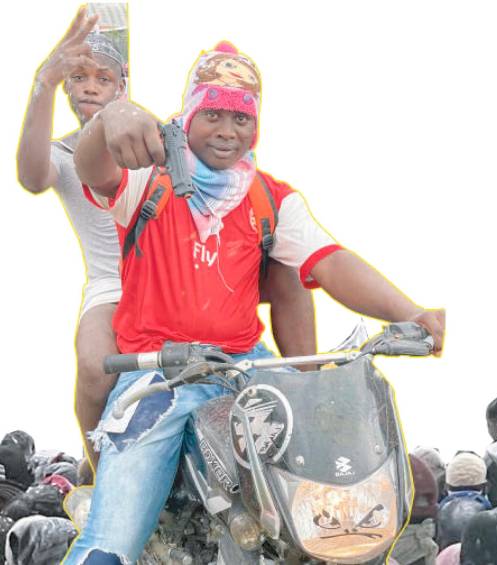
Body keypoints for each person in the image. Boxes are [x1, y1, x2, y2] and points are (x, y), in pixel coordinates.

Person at [63, 40, 445, 563]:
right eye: (213, 114)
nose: (227, 130)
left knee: (327, 499)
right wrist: (109, 119)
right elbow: (92, 169)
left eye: (241, 118)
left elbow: (330, 261)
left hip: (247, 370)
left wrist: (410, 313)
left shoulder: (271, 198)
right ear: (190, 114)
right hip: (160, 375)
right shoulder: (146, 182)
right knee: (113, 542)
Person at [15, 8, 317, 474]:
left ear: (123, 87)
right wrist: (44, 82)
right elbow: (33, 177)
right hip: (115, 283)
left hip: (189, 268)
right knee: (95, 366)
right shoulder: (65, 152)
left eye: (102, 78)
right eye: (78, 78)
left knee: (291, 266)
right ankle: (101, 467)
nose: (90, 87)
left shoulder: (148, 134)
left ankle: (306, 397)